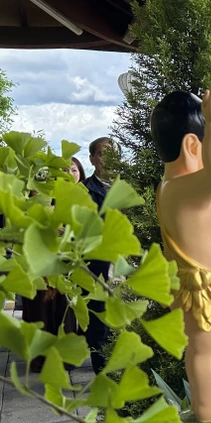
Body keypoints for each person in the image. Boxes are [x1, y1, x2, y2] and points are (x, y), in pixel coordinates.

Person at [151, 80, 211, 422]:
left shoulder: (172, 188)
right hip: (206, 288)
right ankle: (208, 407)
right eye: (208, 143)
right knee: (207, 348)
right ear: (194, 145)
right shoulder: (182, 189)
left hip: (210, 284)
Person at [21, 157, 87, 370]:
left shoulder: (86, 198)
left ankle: (66, 356)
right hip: (41, 263)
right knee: (41, 310)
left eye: (74, 170)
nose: (70, 174)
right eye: (64, 170)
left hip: (73, 262)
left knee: (67, 311)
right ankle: (41, 358)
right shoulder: (41, 197)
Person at [83, 137, 116, 373]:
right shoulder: (83, 191)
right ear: (93, 159)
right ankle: (102, 374)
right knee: (99, 323)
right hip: (96, 266)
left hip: (127, 264)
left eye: (114, 153)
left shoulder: (129, 187)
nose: (109, 159)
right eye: (104, 153)